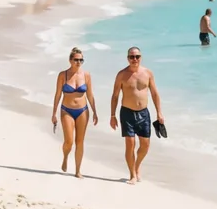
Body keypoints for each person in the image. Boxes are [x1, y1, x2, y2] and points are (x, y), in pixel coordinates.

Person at [109, 46, 162, 184]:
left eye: (137, 56)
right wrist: (112, 116)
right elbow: (115, 96)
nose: (134, 59)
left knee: (145, 145)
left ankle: (137, 166)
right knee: (130, 144)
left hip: (144, 113)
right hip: (127, 113)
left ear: (141, 57)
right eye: (132, 57)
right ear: (128, 58)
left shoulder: (148, 73)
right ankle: (132, 174)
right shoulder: (121, 75)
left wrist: (159, 113)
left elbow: (155, 93)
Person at [50, 47, 98, 176]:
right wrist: (54, 113)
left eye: (81, 60)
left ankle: (78, 171)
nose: (79, 62)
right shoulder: (63, 75)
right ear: (70, 60)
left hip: (83, 110)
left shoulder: (86, 75)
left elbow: (90, 95)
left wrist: (95, 112)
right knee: (69, 141)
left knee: (80, 141)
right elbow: (57, 95)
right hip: (67, 110)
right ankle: (65, 157)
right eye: (76, 60)